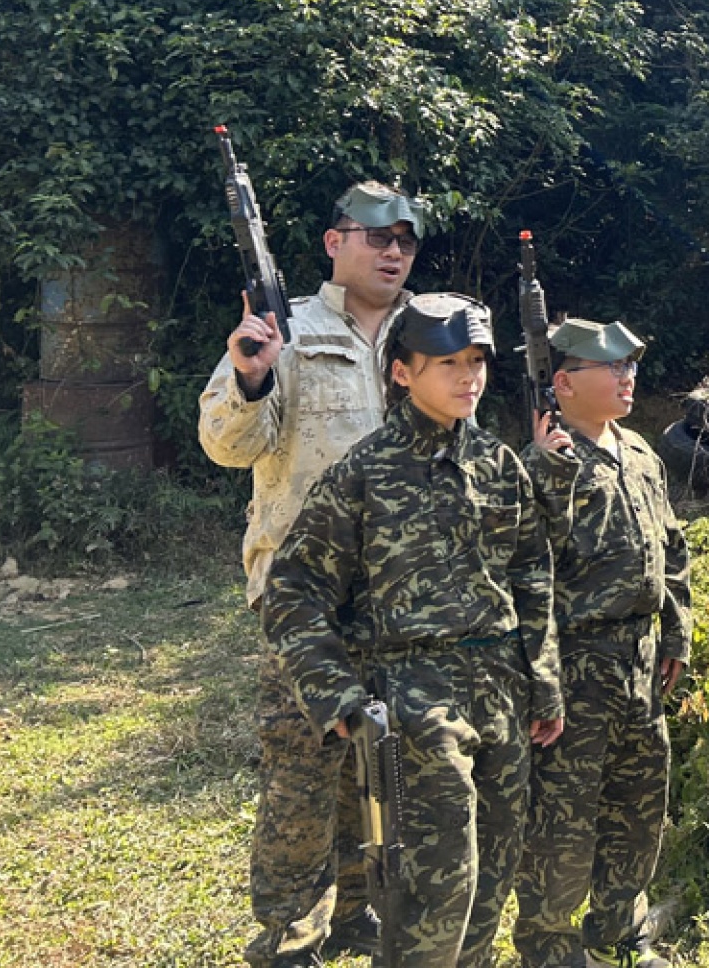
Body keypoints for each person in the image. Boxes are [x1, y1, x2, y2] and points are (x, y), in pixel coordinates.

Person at [261, 294, 565, 968]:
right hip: (412, 702)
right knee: (434, 892)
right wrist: (337, 696)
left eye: (477, 361)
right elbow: (294, 589)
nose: (468, 377)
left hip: (501, 696)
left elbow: (531, 576)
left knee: (491, 877)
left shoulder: (499, 464)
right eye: (448, 363)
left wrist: (544, 683)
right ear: (402, 373)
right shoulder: (363, 472)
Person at [198, 180, 425, 967]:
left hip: (402, 596)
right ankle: (290, 934)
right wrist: (251, 378)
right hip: (307, 602)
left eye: (405, 241)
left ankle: (358, 910)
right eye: (377, 237)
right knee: (302, 774)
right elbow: (227, 446)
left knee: (379, 764)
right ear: (336, 243)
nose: (393, 252)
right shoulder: (284, 331)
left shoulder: (429, 337)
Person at [513, 318, 691, 968]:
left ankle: (619, 930)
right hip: (575, 663)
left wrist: (677, 631)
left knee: (637, 804)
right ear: (563, 384)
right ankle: (548, 944)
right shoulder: (543, 465)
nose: (626, 377)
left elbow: (672, 547)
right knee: (562, 815)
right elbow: (526, 576)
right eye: (611, 367)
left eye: (630, 366)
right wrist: (542, 683)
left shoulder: (639, 452)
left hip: (639, 660)